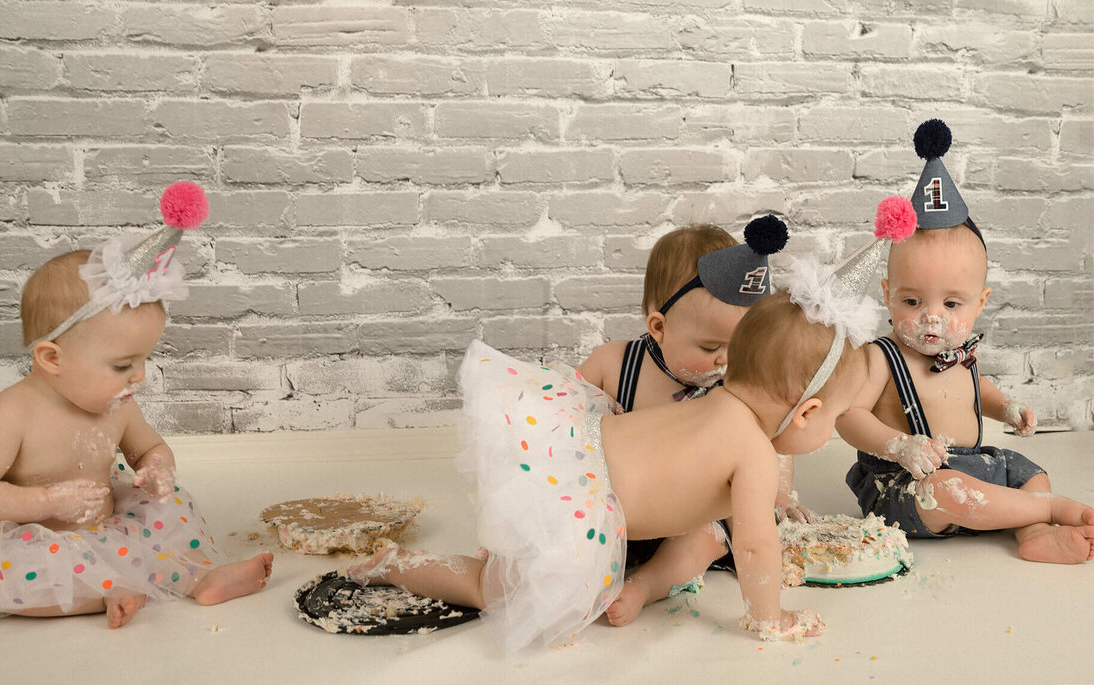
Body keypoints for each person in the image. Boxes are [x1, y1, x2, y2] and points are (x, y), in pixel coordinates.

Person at [345, 226, 888, 650]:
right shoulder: (753, 452)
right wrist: (771, 615)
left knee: (510, 563)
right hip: (585, 505)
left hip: (566, 446)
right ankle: (395, 564)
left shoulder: (718, 402)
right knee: (496, 589)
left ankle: (448, 553)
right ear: (807, 411)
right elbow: (753, 545)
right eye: (835, 420)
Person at [0, 183, 273, 627]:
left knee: (168, 522)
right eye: (122, 365)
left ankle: (198, 579)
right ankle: (111, 592)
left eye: (143, 360)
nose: (139, 376)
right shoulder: (12, 414)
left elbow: (148, 448)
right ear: (52, 358)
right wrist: (44, 501)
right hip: (25, 537)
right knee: (0, 581)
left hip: (104, 529)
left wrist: (156, 469)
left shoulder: (118, 405)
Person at [839, 120, 1094, 563]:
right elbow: (847, 416)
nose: (932, 318)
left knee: (1026, 471)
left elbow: (980, 393)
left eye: (952, 304)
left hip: (971, 464)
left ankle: (1032, 530)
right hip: (908, 484)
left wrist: (1006, 407)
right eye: (913, 300)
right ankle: (1046, 511)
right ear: (887, 294)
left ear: (980, 303)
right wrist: (900, 445)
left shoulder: (961, 354)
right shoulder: (881, 357)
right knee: (948, 490)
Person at [577, 215, 817, 626]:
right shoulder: (615, 364)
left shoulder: (737, 389)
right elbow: (561, 416)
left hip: (686, 516)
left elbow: (768, 442)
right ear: (659, 327)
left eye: (740, 347)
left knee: (707, 538)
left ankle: (645, 586)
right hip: (613, 512)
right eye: (710, 346)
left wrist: (779, 495)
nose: (726, 361)